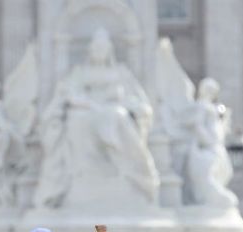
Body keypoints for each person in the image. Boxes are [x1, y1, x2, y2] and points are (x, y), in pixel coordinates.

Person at [36, 28, 159, 208]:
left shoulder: (121, 72)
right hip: (84, 112)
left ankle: (122, 169)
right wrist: (89, 103)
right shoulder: (79, 72)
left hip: (114, 112)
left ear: (109, 51)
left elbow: (135, 98)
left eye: (103, 48)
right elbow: (69, 94)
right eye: (96, 48)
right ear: (90, 50)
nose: (99, 52)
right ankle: (83, 174)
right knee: (77, 120)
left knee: (116, 115)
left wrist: (122, 102)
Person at [185, 78, 238, 208]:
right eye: (211, 90)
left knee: (226, 171)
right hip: (210, 146)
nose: (213, 94)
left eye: (214, 91)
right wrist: (208, 141)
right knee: (216, 171)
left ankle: (212, 199)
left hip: (216, 145)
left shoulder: (209, 107)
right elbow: (198, 125)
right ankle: (208, 199)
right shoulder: (202, 106)